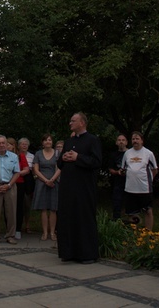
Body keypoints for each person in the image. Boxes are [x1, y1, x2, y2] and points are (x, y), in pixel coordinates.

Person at [57, 112, 102, 264]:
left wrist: (78, 158)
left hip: (84, 188)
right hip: (67, 188)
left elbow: (96, 162)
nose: (70, 123)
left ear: (82, 123)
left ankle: (87, 254)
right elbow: (59, 163)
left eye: (73, 120)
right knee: (67, 217)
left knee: (83, 218)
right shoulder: (69, 142)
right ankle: (68, 252)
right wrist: (63, 158)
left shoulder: (92, 140)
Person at [123, 131, 158, 230]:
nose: (135, 141)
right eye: (133, 139)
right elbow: (124, 169)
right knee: (131, 213)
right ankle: (134, 233)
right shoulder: (127, 153)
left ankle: (148, 234)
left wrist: (149, 180)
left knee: (148, 211)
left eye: (137, 139)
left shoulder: (148, 153)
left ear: (142, 141)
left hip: (144, 188)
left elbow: (154, 169)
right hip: (130, 189)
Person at [32, 134, 60, 241]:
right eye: (45, 140)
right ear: (42, 142)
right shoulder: (38, 154)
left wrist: (52, 180)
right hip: (42, 182)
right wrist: (45, 180)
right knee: (43, 209)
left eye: (50, 140)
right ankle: (44, 232)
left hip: (54, 182)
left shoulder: (57, 154)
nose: (48, 142)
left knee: (53, 208)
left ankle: (52, 233)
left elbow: (60, 168)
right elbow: (36, 169)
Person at [14, 137, 32, 240]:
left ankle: (27, 224)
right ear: (19, 145)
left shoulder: (31, 156)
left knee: (26, 204)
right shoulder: (16, 156)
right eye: (22, 144)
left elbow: (31, 170)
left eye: (26, 144)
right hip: (17, 181)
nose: (24, 146)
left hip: (28, 181)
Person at [107, 133, 128, 219]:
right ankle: (116, 223)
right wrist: (117, 172)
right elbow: (110, 169)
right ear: (116, 142)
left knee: (130, 204)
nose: (121, 142)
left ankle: (131, 223)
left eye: (123, 140)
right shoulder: (113, 155)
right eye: (119, 140)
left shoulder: (131, 153)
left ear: (126, 142)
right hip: (117, 183)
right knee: (116, 203)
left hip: (130, 182)